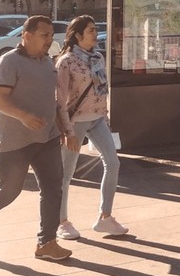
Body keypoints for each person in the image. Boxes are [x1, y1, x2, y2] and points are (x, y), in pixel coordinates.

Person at [0, 15, 72, 261]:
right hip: (13, 142)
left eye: (51, 35)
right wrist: (24, 117)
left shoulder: (47, 63)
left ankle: (46, 243)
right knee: (7, 193)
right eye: (44, 35)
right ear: (26, 35)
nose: (49, 40)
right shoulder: (8, 62)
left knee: (53, 189)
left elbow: (53, 100)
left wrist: (62, 127)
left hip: (47, 138)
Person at [55, 16, 128, 240]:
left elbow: (101, 90)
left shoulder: (98, 56)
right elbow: (59, 99)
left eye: (95, 30)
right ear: (78, 36)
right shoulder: (66, 62)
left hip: (97, 119)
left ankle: (105, 217)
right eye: (91, 30)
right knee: (66, 174)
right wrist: (67, 131)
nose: (96, 34)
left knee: (113, 162)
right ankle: (61, 222)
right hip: (74, 122)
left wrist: (105, 117)